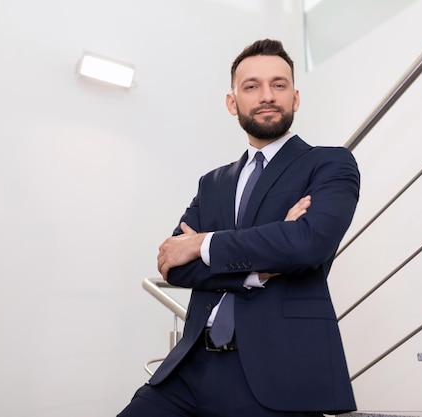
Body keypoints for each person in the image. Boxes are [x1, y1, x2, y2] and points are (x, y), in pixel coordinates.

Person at [118, 39, 359, 417]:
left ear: (296, 98)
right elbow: (175, 264)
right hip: (188, 368)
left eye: (279, 85)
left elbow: (307, 244)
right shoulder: (212, 183)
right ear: (232, 103)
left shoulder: (330, 164)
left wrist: (205, 245)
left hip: (274, 375)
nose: (267, 95)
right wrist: (260, 269)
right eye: (252, 86)